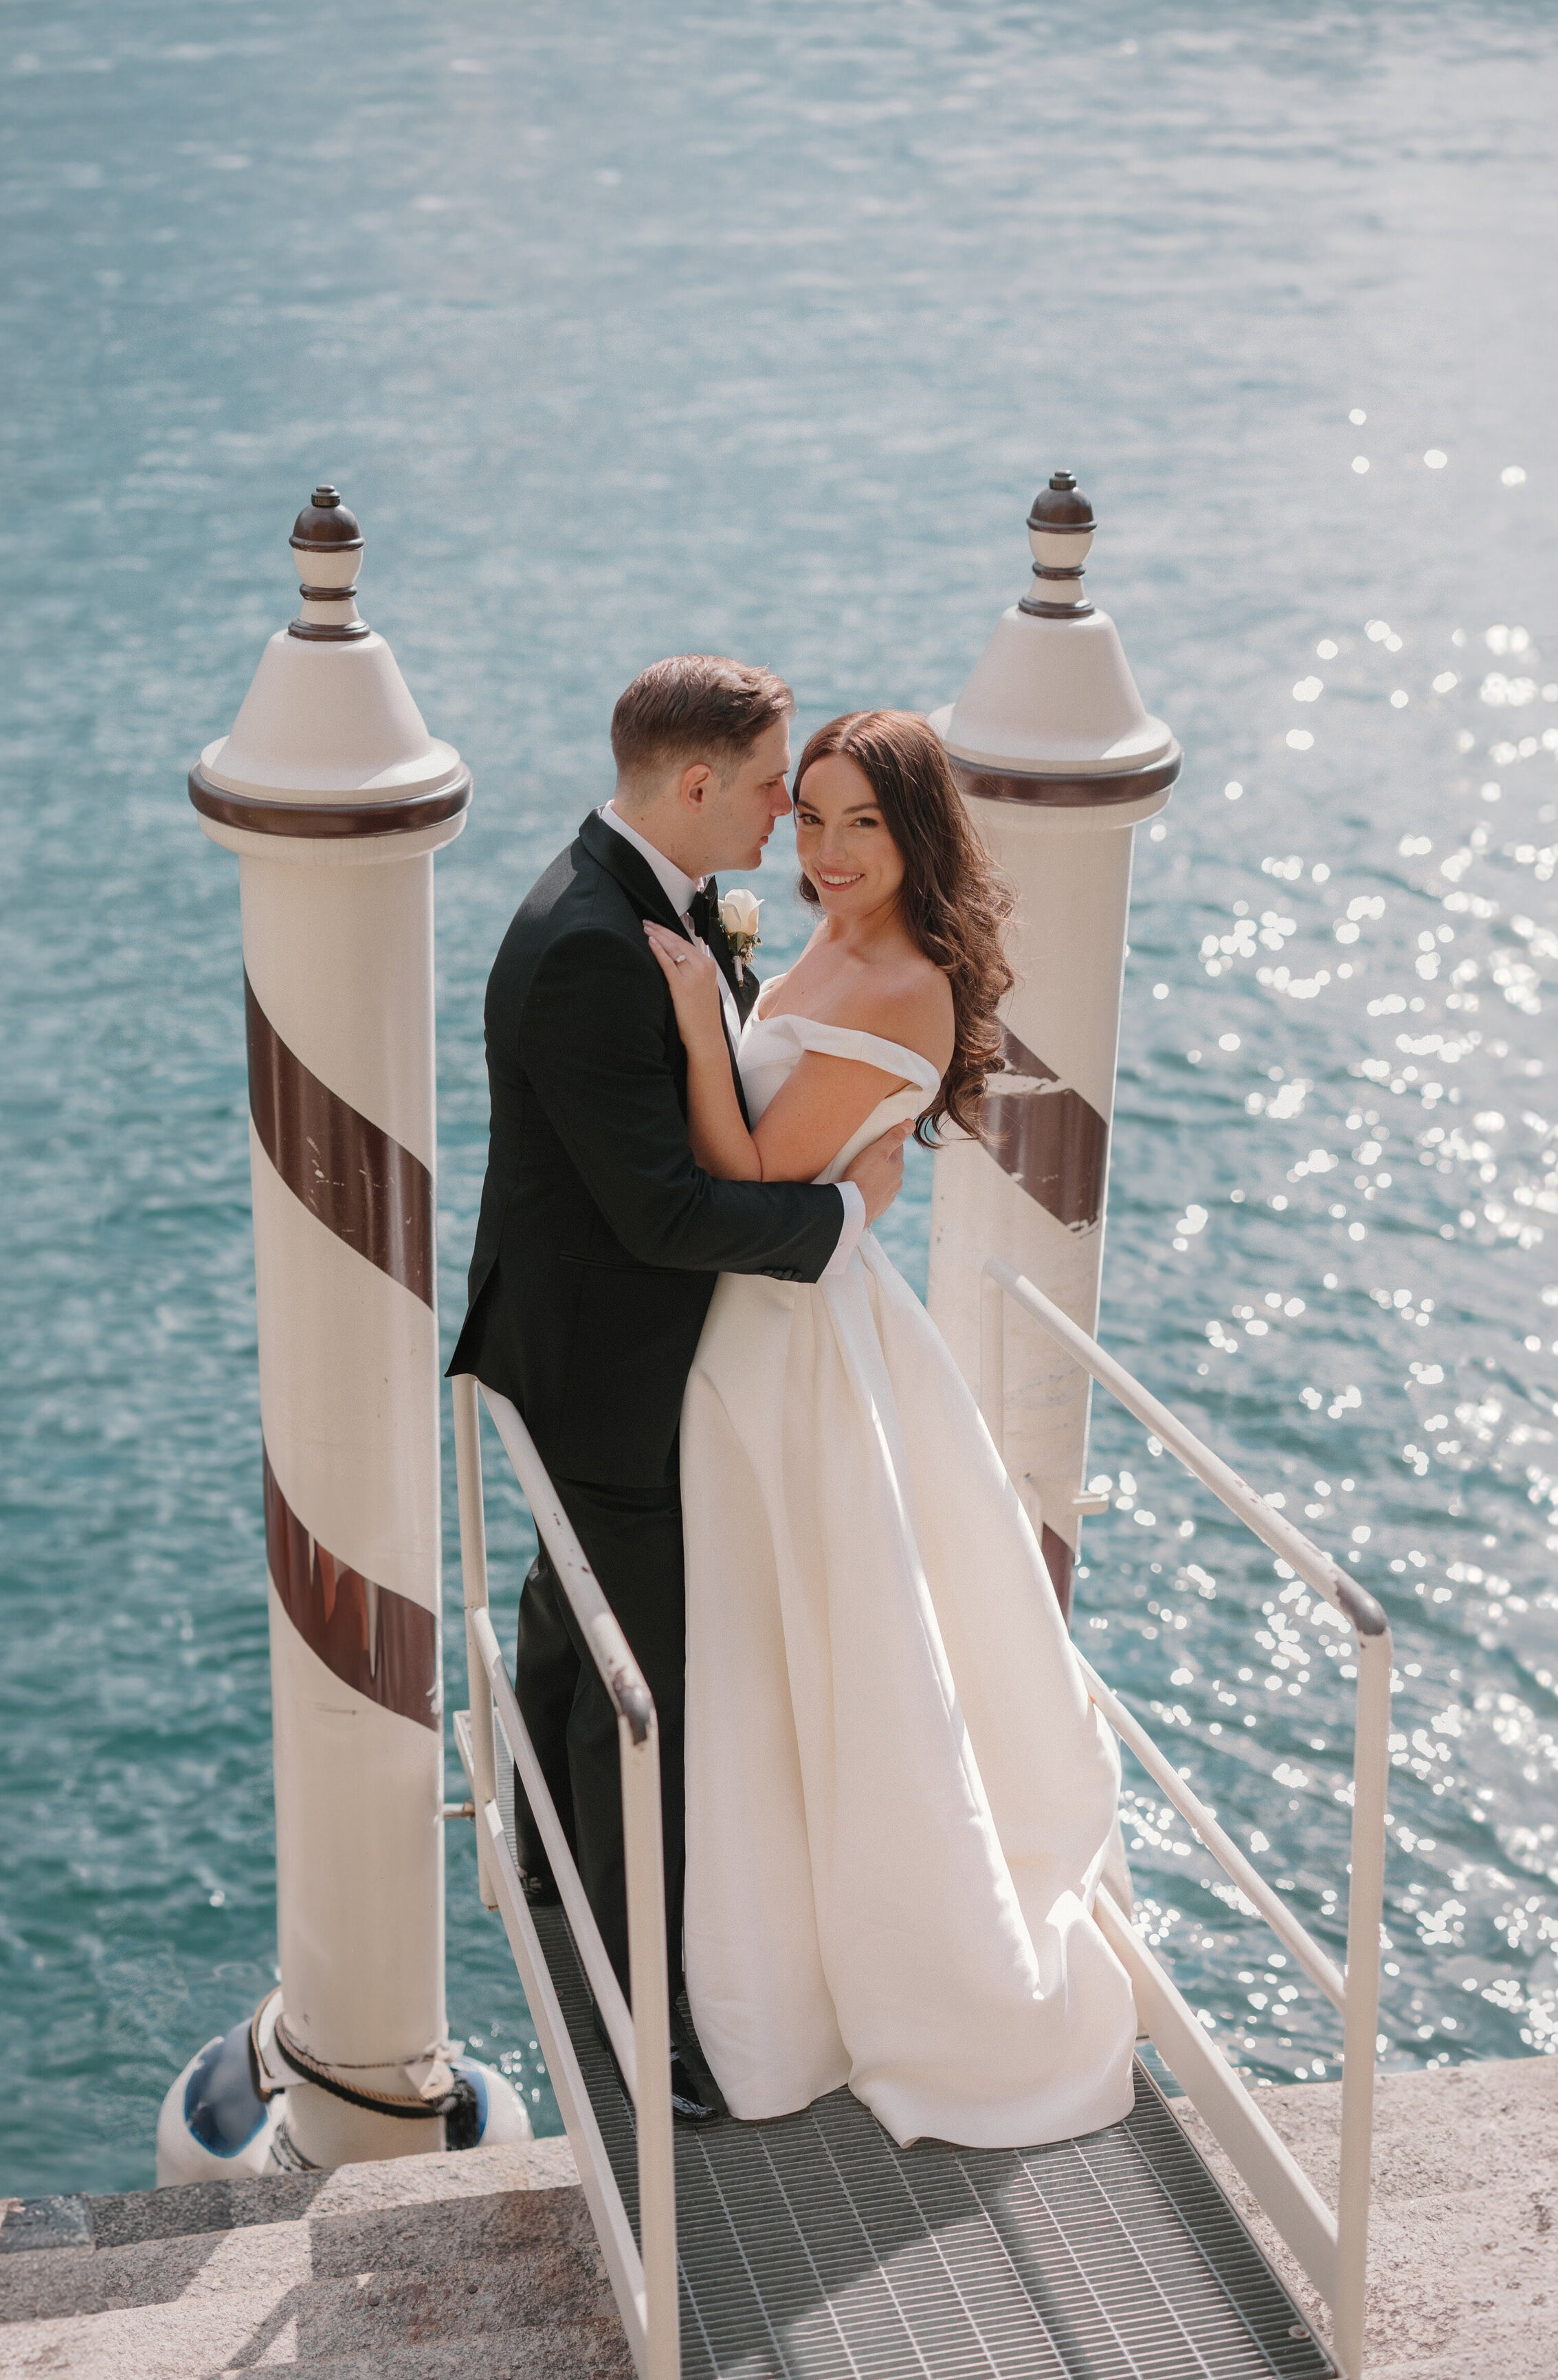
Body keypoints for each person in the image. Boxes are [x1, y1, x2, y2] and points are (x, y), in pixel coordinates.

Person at [644, 708, 1137, 2150]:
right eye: (809, 817)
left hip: (798, 1343)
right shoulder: (825, 946)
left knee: (819, 1647)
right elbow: (846, 1167)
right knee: (772, 1648)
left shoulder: (910, 985)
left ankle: (878, 1982)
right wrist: (858, 1170)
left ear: (919, 829)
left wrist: (690, 1021)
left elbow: (743, 1166)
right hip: (768, 1322)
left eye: (862, 821)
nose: (830, 850)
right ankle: (768, 1957)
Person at [447, 658, 911, 2126]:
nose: (789, 814)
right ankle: (645, 2026)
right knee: (641, 1690)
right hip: (608, 1369)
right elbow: (657, 1212)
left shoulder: (630, 896)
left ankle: (539, 1855)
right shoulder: (595, 939)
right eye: (775, 784)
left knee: (576, 1632)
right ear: (697, 782)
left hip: (591, 1346)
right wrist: (839, 1225)